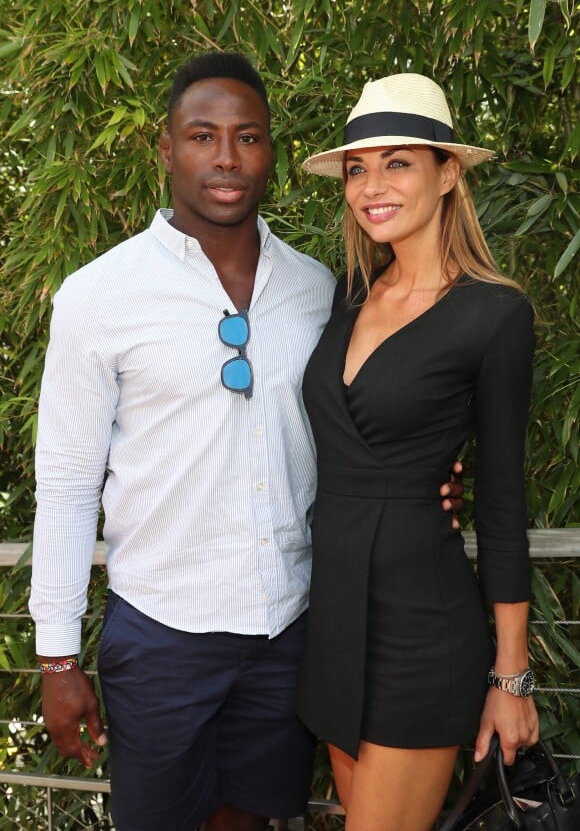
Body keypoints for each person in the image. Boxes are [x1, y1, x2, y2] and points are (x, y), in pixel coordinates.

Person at [29, 53, 465, 831]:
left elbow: (358, 423)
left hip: (289, 630)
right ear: (165, 149)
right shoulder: (99, 296)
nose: (226, 158)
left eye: (248, 137)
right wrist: (57, 657)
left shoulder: (320, 288)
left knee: (253, 823)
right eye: (203, 135)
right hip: (162, 633)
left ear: (271, 152)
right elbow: (65, 486)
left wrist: (426, 471)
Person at [295, 72, 540, 831]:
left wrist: (511, 677)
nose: (372, 185)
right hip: (331, 617)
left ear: (448, 172)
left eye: (398, 162)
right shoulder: (349, 295)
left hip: (419, 627)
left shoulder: (495, 315)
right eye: (359, 167)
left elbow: (501, 507)